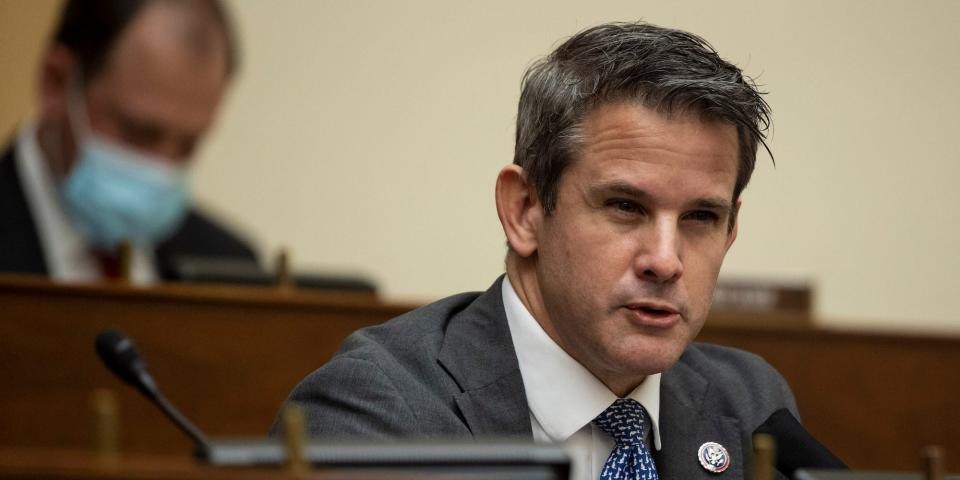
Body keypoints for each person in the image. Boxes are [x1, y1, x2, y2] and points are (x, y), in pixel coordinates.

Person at [277, 22, 840, 480]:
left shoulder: (750, 403)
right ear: (523, 210)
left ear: (732, 229)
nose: (666, 260)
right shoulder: (379, 411)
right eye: (625, 206)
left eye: (700, 217)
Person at [0, 0, 257, 284]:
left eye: (188, 144)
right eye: (139, 133)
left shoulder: (231, 269)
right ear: (56, 83)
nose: (161, 168)